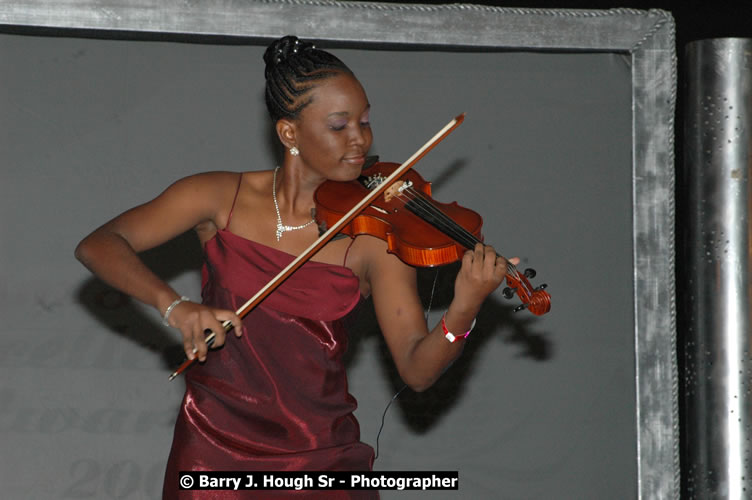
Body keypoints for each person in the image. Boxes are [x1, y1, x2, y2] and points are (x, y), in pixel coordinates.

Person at [75, 35, 512, 499]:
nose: (360, 139)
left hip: (322, 458)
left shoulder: (372, 238)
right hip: (213, 453)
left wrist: (462, 311)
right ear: (289, 134)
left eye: (364, 122)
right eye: (339, 125)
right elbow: (99, 245)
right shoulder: (217, 197)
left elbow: (417, 371)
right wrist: (174, 306)